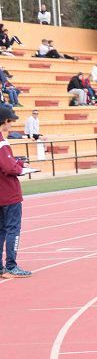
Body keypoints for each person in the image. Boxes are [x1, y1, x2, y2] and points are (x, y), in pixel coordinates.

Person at [0, 106, 31, 277]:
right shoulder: (2, 143)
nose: (11, 125)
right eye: (11, 121)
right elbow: (7, 166)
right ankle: (11, 266)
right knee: (13, 229)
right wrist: (20, 169)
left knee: (1, 230)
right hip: (9, 194)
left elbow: (8, 162)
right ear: (5, 121)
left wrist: (19, 164)